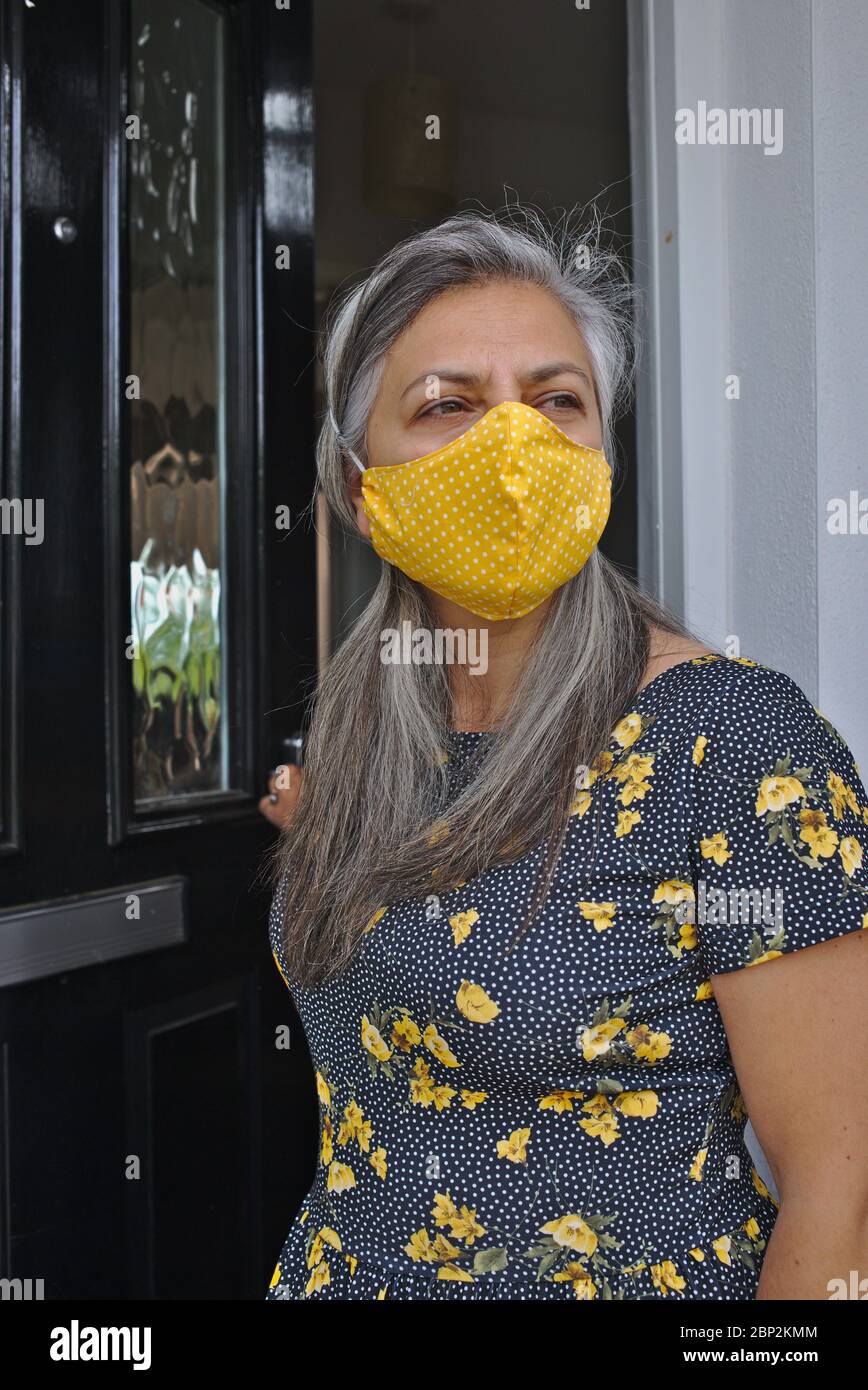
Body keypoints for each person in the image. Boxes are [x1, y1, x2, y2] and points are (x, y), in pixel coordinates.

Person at [260, 205, 868, 1301]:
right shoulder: (366, 727)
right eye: (448, 404)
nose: (514, 445)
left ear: (599, 462)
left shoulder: (734, 746)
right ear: (360, 490)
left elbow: (841, 1197)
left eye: (556, 401)